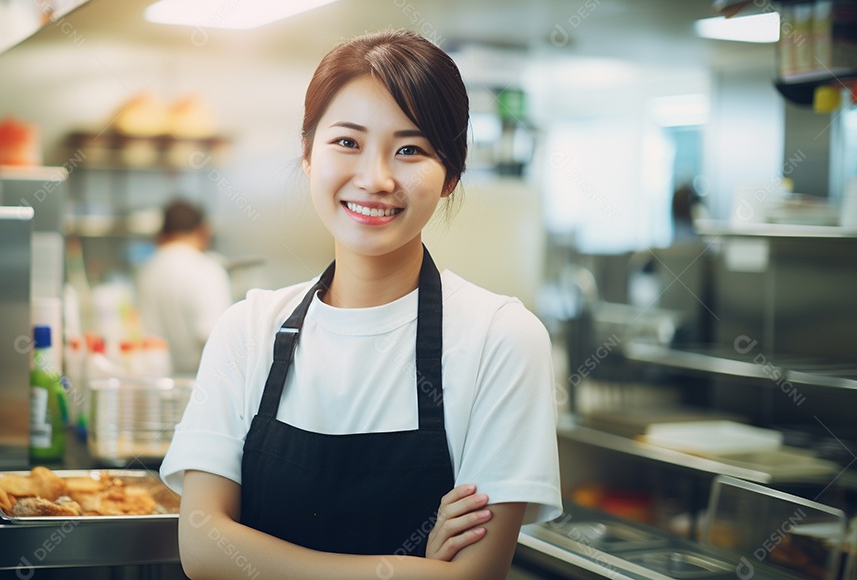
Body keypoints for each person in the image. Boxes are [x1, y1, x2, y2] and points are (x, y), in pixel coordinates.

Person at [160, 29, 561, 580]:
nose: (375, 179)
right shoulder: (248, 329)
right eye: (347, 142)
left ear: (450, 175)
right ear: (307, 156)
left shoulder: (502, 338)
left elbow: (474, 576)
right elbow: (204, 549)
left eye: (411, 149)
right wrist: (409, 568)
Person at [136, 200, 232, 375]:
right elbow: (216, 340)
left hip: (158, 383)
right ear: (203, 231)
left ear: (163, 233)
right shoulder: (207, 270)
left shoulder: (147, 271)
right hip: (198, 386)